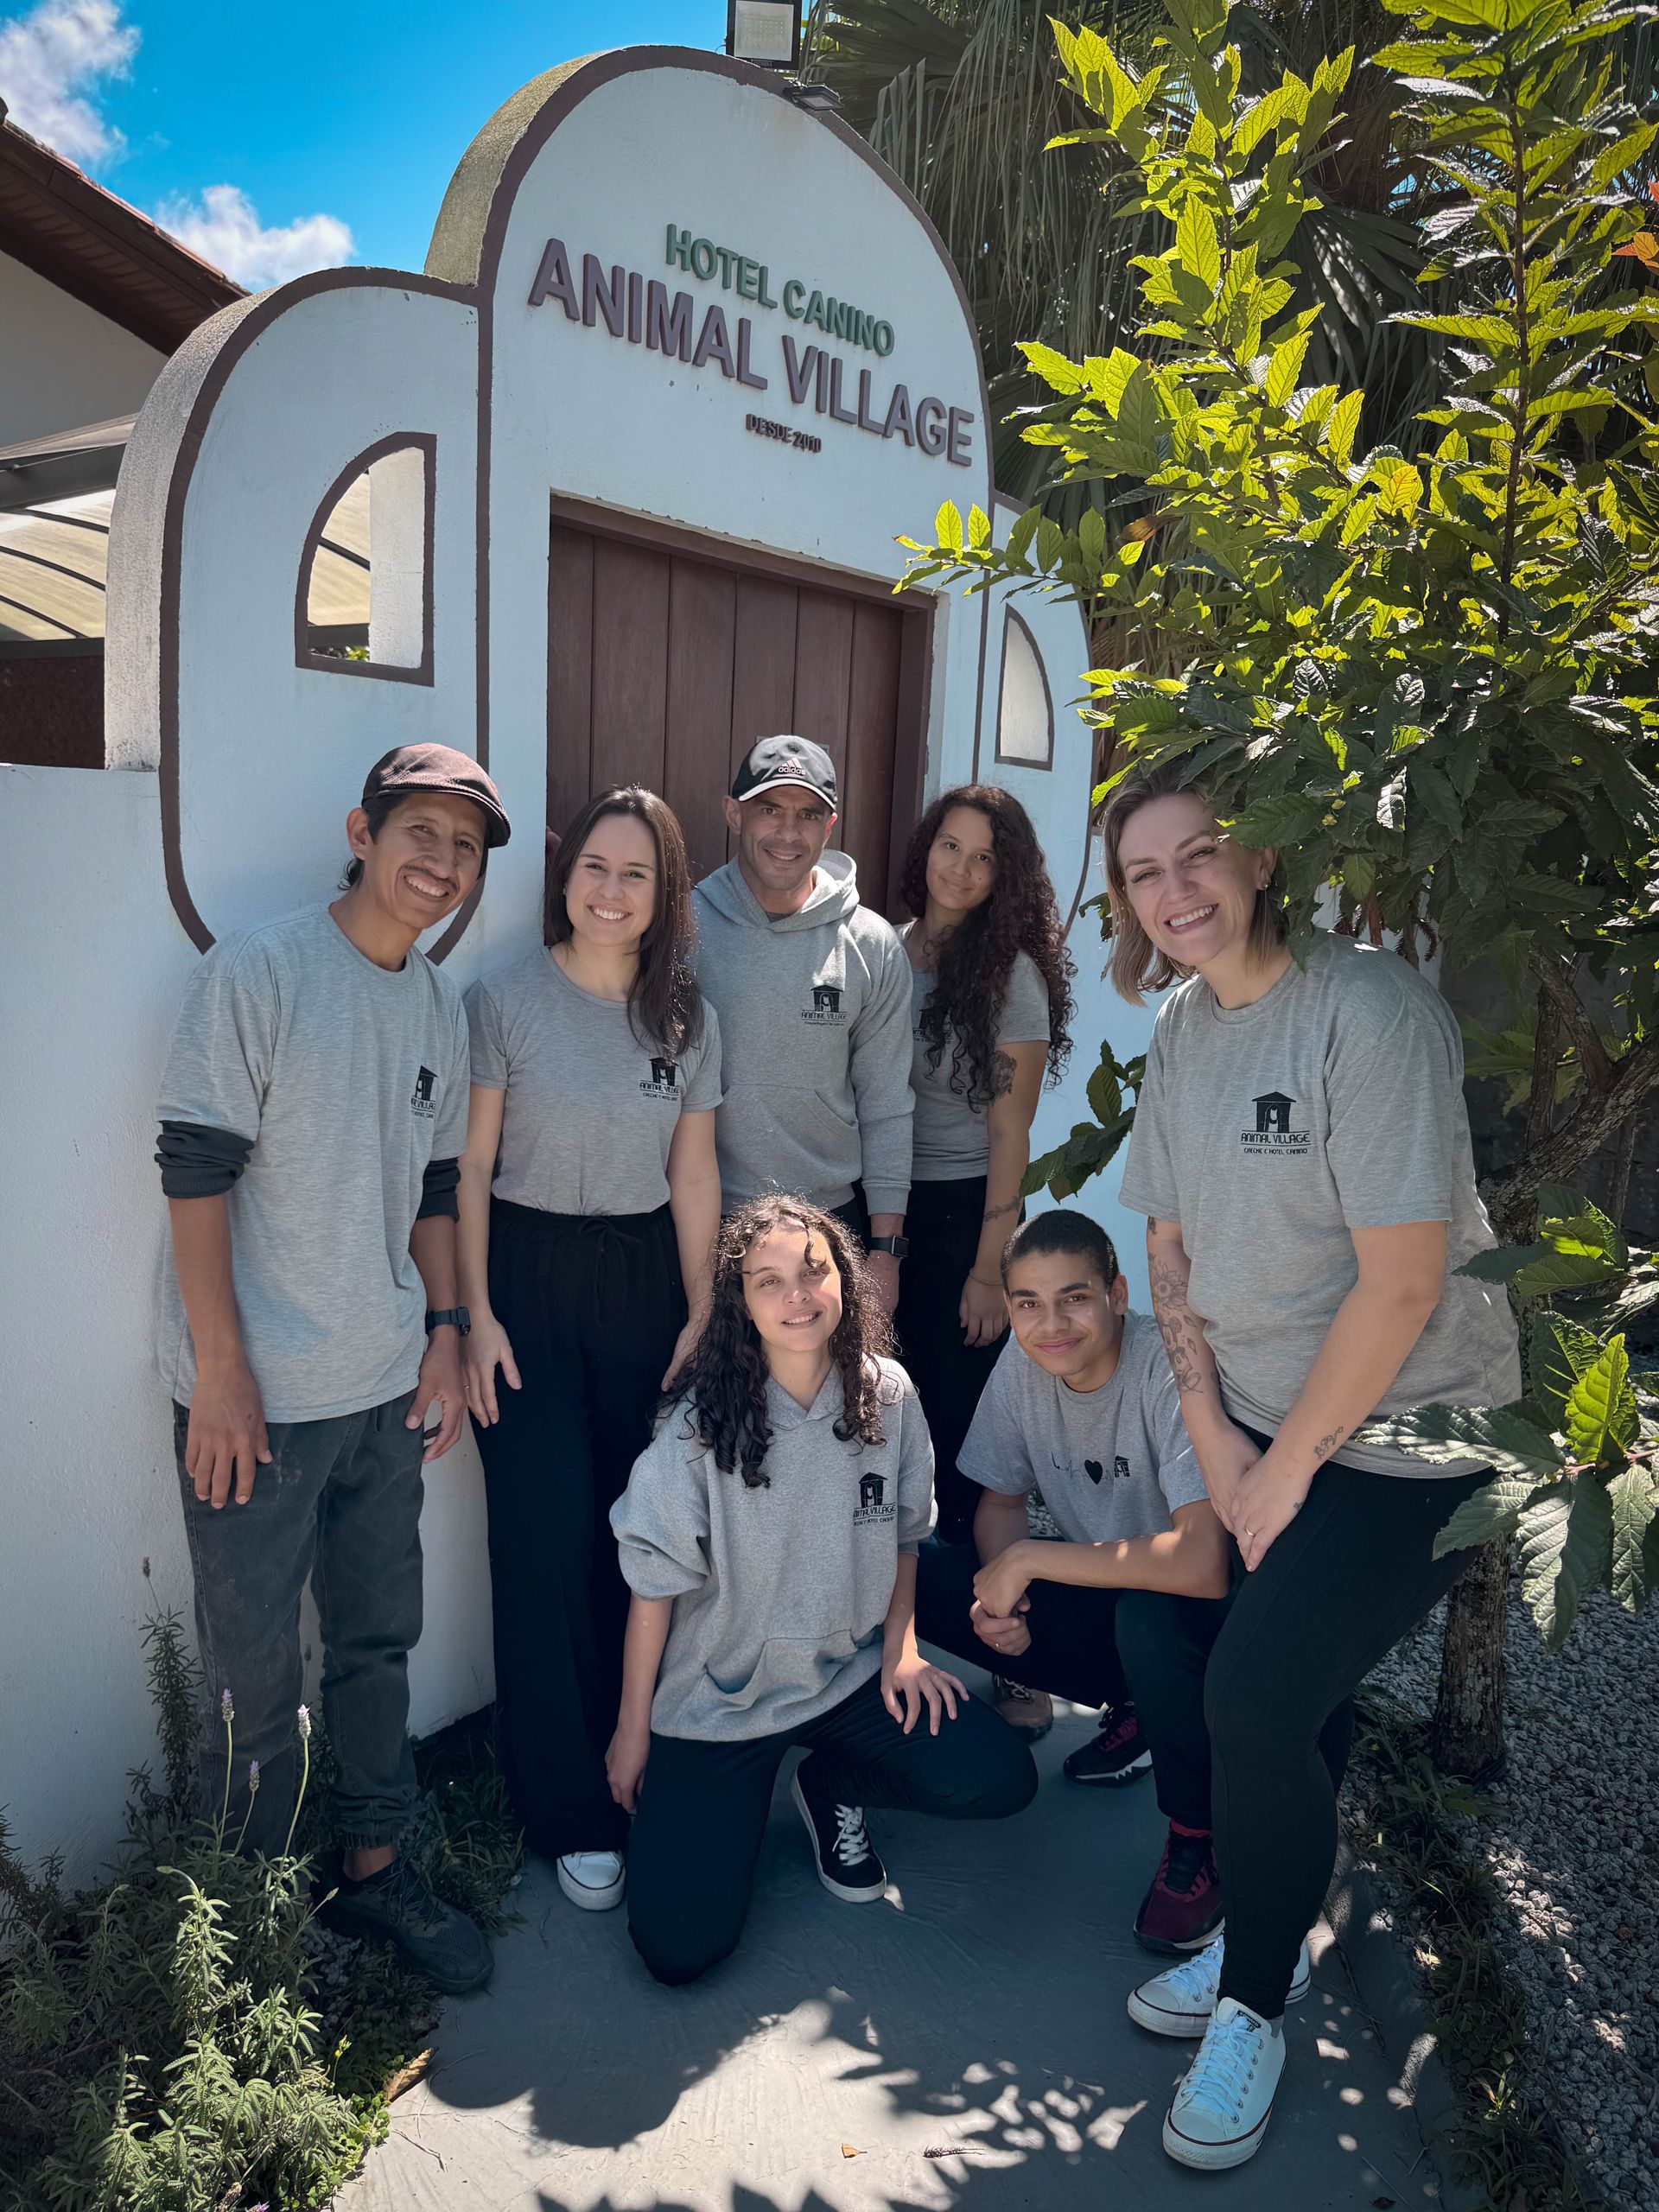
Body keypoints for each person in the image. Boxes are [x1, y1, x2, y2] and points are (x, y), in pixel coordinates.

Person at [1103, 761, 1519, 2171]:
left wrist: (1283, 1478)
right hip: (1268, 1421)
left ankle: (1254, 1999)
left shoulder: (1369, 1013)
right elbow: (1166, 1251)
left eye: (1199, 856)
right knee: (1166, 1633)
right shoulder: (1177, 1027)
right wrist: (1220, 1441)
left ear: (1261, 858)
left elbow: (1402, 1287)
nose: (1177, 894)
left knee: (1257, 1689)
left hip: (1415, 1436)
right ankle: (1267, 1915)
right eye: (1145, 875)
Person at [154, 742, 512, 1996]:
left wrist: (447, 1327)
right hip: (255, 1401)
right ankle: (245, 1938)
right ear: (361, 831)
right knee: (253, 1684)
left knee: (377, 1644)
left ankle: (371, 1873)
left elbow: (429, 1186)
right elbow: (194, 1173)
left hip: (381, 1391)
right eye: (422, 833)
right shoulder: (258, 971)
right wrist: (221, 1373)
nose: (443, 864)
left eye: (465, 850)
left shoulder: (430, 999)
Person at [607, 1196, 1037, 1986]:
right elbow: (651, 1592)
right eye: (767, 1281)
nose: (797, 1296)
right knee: (677, 1950)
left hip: (845, 1676)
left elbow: (907, 1535)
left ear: (847, 1276)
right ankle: (730, 1799)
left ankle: (828, 1783)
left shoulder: (891, 1395)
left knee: (997, 1777)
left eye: (813, 1270)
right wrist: (634, 1730)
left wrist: (902, 1652)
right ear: (740, 1304)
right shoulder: (696, 1430)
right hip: (721, 1704)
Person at [458, 787, 721, 1916]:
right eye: (595, 869)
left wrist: (706, 1309)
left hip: (644, 1290)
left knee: (639, 1534)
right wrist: (473, 1313)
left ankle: (644, 1761)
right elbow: (465, 1173)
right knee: (541, 1541)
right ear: (564, 874)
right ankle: (566, 1810)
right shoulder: (503, 999)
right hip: (523, 1278)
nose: (611, 894)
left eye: (637, 876)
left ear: (664, 896)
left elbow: (694, 1172)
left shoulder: (686, 1018)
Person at [914, 1209, 1253, 1958]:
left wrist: (1031, 1562)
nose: (1050, 1323)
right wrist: (1009, 1611)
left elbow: (1204, 1564)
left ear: (1119, 1294)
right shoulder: (1025, 1363)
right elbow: (1001, 1503)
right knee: (926, 1581)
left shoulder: (1169, 1369)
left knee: (1149, 1621)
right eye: (1028, 1304)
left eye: (1075, 1297)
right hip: (1112, 1594)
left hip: (1205, 1623)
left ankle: (1198, 1842)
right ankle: (1138, 1708)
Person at [893, 783, 1074, 1554]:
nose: (961, 870)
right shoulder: (888, 947)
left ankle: (980, 1627)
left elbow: (1011, 1134)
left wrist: (991, 1273)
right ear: (926, 848)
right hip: (888, 1208)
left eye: (985, 859)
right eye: (950, 847)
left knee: (960, 1438)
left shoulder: (1012, 980)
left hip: (966, 1212)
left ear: (1007, 877)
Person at [692, 735, 912, 1313]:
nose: (788, 833)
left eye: (807, 814)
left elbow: (887, 1102)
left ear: (830, 824)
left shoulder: (872, 944)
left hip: (830, 1224)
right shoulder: (683, 926)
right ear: (733, 812)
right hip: (707, 1217)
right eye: (770, 809)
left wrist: (885, 1251)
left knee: (826, 1402)